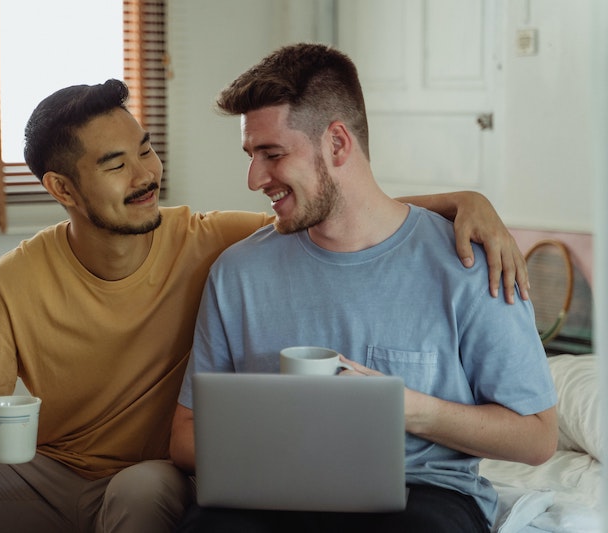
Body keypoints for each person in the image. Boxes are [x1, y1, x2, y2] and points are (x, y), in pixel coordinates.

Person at [0, 78, 527, 533]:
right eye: (115, 165)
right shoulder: (16, 277)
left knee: (141, 493)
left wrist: (465, 202)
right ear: (63, 188)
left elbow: (337, 206)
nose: (145, 174)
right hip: (52, 471)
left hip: (158, 475)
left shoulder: (213, 241)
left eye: (144, 149)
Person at [170, 44, 558, 533]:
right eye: (251, 155)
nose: (254, 179)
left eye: (272, 154)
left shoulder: (470, 262)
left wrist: (411, 411)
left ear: (337, 144)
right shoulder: (237, 273)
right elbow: (184, 436)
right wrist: (276, 442)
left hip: (420, 494)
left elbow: (538, 436)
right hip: (270, 493)